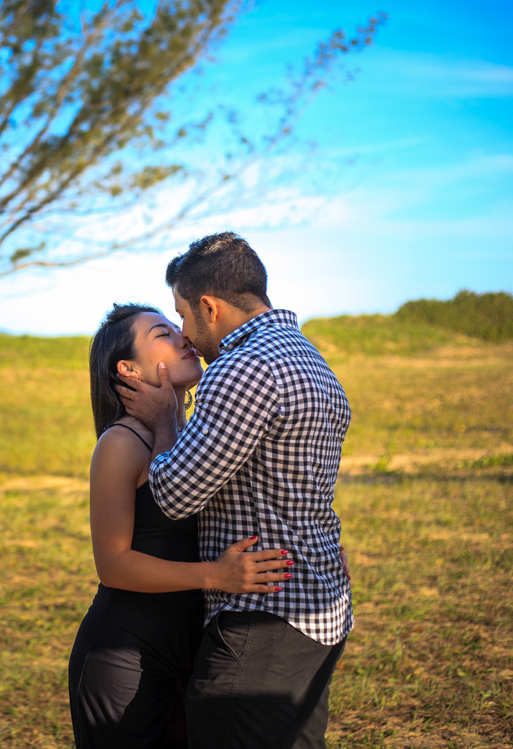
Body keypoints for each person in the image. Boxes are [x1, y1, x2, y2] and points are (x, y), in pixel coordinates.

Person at [118, 233, 353, 749]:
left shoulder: (242, 367)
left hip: (265, 619)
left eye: (181, 315)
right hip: (320, 606)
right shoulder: (311, 359)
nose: (183, 331)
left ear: (209, 306)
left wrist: (162, 421)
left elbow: (174, 496)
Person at [69, 303, 295, 749]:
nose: (183, 337)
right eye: (162, 333)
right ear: (128, 369)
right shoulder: (119, 444)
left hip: (189, 653)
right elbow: (112, 565)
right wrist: (214, 575)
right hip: (124, 659)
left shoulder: (192, 434)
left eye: (178, 327)